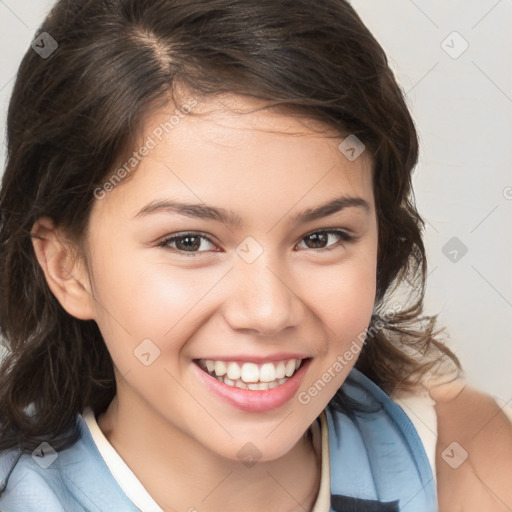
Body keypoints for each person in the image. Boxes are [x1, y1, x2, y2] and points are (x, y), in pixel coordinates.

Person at [0, 1, 511, 511]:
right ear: (67, 267)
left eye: (320, 237)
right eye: (189, 242)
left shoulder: (466, 462)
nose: (268, 311)